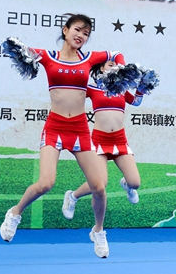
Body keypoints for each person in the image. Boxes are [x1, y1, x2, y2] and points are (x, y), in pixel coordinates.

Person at [0, 14, 124, 258]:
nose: (81, 36)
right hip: (55, 127)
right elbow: (20, 50)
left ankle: (98, 231)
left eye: (86, 33)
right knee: (46, 183)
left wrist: (119, 71)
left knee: (99, 186)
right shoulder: (48, 57)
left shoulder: (90, 58)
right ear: (65, 30)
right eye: (77, 30)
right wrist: (16, 48)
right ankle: (15, 213)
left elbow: (116, 54)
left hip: (79, 129)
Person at [61, 59, 145, 224]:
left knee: (135, 183)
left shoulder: (122, 89)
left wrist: (141, 89)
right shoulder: (93, 88)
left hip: (119, 140)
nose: (114, 67)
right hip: (99, 141)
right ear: (101, 68)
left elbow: (136, 102)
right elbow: (74, 95)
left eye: (116, 65)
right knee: (100, 183)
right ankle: (72, 196)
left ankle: (127, 185)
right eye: (110, 64)